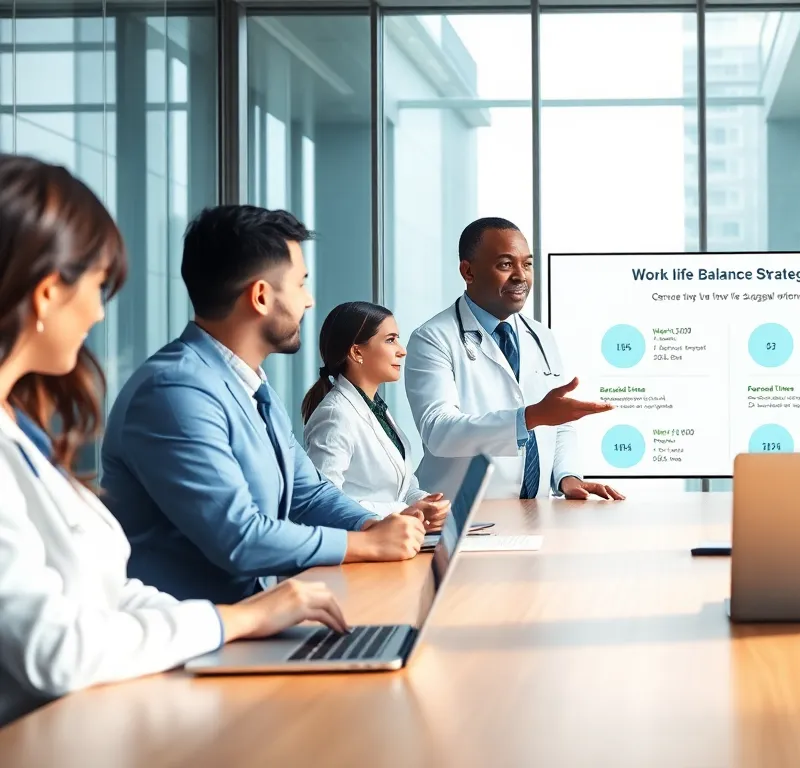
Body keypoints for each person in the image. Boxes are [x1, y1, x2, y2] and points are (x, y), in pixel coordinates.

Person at [0, 155, 349, 727]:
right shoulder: (174, 389)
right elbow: (55, 650)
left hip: (116, 698)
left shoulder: (21, 433)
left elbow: (112, 591)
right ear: (45, 294)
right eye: (97, 286)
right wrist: (231, 622)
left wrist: (246, 618)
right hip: (53, 727)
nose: (97, 312)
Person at [101, 205, 431, 604]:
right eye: (300, 284)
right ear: (260, 296)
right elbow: (240, 538)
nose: (309, 301)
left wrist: (373, 524)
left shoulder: (253, 387)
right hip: (192, 638)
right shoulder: (174, 393)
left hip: (256, 616)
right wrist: (364, 544)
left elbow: (309, 495)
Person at [404, 217, 624, 501]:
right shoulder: (433, 338)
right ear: (468, 271)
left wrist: (568, 476)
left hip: (534, 510)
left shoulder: (541, 337)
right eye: (506, 265)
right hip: (459, 513)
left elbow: (559, 423)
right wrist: (529, 417)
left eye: (527, 264)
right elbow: (438, 430)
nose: (521, 276)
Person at [301, 301, 449, 524]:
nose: (402, 350)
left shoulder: (376, 408)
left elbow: (403, 488)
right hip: (361, 544)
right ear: (357, 352)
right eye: (390, 340)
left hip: (395, 539)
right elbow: (324, 504)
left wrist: (427, 502)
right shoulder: (335, 415)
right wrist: (403, 511)